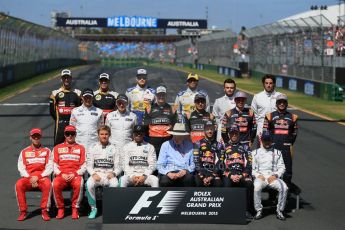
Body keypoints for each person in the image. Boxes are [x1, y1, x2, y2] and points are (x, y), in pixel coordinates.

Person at [15, 128, 53, 221]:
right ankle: (23, 212)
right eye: (34, 136)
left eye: (38, 136)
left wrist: (38, 177)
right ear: (30, 138)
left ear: (40, 137)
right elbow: (21, 167)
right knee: (18, 184)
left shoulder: (47, 151)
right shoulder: (24, 151)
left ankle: (44, 211)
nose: (36, 138)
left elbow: (50, 167)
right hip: (28, 177)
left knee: (48, 184)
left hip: (42, 177)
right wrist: (30, 178)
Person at [86, 125, 121, 219]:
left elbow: (119, 166)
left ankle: (110, 208)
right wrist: (93, 174)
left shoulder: (115, 148)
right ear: (98, 135)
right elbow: (88, 165)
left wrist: (114, 173)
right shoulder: (92, 147)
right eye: (102, 134)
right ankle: (93, 208)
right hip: (97, 173)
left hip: (110, 174)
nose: (104, 136)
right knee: (89, 184)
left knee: (115, 184)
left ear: (109, 135)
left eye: (106, 134)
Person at [263, 94, 298, 190]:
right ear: (276, 103)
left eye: (284, 102)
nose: (282, 104)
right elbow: (265, 133)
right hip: (273, 148)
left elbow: (294, 134)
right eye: (280, 102)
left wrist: (288, 143)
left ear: (287, 103)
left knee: (287, 172)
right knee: (272, 170)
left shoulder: (293, 117)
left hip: (287, 148)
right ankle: (272, 194)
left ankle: (286, 193)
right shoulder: (269, 116)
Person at [219, 125, 254, 219]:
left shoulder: (246, 147)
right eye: (232, 133)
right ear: (229, 135)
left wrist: (243, 175)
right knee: (226, 183)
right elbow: (220, 164)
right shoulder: (224, 147)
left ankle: (247, 210)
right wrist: (229, 175)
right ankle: (226, 210)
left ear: (239, 134)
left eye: (236, 133)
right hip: (229, 174)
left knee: (249, 183)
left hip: (242, 174)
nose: (234, 135)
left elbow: (250, 163)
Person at [52, 125, 86, 219]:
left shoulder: (81, 148)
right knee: (54, 184)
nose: (70, 136)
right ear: (64, 135)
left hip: (75, 174)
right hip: (61, 175)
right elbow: (54, 164)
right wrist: (60, 174)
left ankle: (75, 208)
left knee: (79, 184)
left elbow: (84, 165)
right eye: (68, 134)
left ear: (75, 135)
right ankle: (60, 208)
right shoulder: (57, 148)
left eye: (72, 134)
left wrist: (75, 173)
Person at [252, 132, 288, 221]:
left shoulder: (278, 153)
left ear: (271, 141)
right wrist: (258, 175)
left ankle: (279, 211)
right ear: (261, 140)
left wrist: (276, 175)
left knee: (284, 187)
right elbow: (251, 168)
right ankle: (259, 210)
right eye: (265, 140)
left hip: (273, 177)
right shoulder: (255, 153)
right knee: (256, 188)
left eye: (269, 140)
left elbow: (282, 167)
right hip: (261, 177)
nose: (267, 142)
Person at [143, 85, 177, 156]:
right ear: (156, 96)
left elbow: (175, 126)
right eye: (159, 95)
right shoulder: (149, 108)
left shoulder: (172, 108)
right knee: (154, 160)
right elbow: (145, 126)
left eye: (163, 94)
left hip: (167, 140)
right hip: (153, 140)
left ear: (166, 95)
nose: (161, 97)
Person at [49, 69, 81, 146]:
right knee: (58, 146)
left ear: (71, 78)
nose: (66, 80)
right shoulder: (54, 93)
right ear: (61, 79)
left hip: (74, 125)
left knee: (74, 146)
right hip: (60, 125)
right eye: (64, 78)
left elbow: (80, 109)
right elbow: (52, 111)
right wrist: (59, 120)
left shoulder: (78, 93)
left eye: (68, 77)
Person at [251, 74, 281, 145]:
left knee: (277, 153)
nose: (268, 85)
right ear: (263, 84)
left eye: (271, 83)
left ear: (274, 84)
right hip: (261, 131)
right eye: (266, 83)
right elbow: (253, 115)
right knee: (261, 154)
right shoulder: (257, 97)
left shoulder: (280, 96)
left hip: (277, 130)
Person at [193, 121, 222, 187]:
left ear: (214, 130)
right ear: (204, 130)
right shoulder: (197, 144)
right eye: (207, 129)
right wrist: (203, 176)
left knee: (218, 183)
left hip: (214, 172)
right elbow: (196, 161)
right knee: (197, 182)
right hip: (201, 172)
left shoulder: (219, 145)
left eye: (211, 129)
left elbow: (221, 161)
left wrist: (212, 175)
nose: (209, 131)